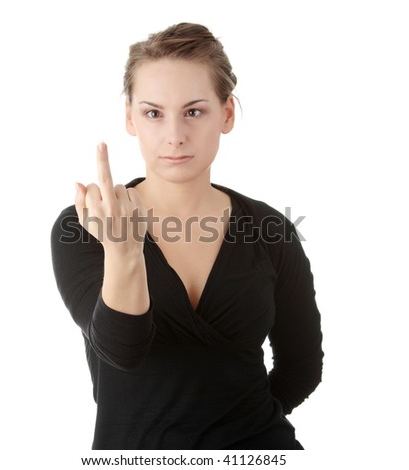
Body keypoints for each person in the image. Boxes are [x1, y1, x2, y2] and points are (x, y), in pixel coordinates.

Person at [50, 22, 323, 450]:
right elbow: (122, 350)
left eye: (194, 111)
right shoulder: (84, 225)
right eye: (153, 113)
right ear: (130, 118)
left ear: (226, 114)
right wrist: (123, 251)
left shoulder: (271, 231)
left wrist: (238, 433)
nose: (174, 135)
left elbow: (302, 368)